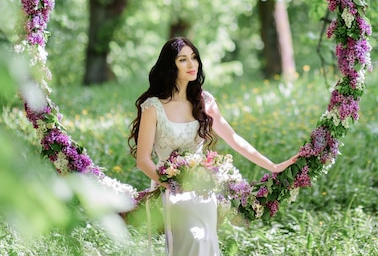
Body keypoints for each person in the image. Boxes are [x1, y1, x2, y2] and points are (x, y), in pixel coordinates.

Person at [128, 37, 298, 256]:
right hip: (169, 190)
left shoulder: (204, 101)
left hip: (202, 188)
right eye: (183, 60)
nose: (192, 64)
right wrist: (172, 185)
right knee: (193, 240)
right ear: (171, 66)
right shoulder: (153, 106)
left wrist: (273, 166)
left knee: (206, 240)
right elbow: (143, 160)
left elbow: (234, 138)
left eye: (194, 58)